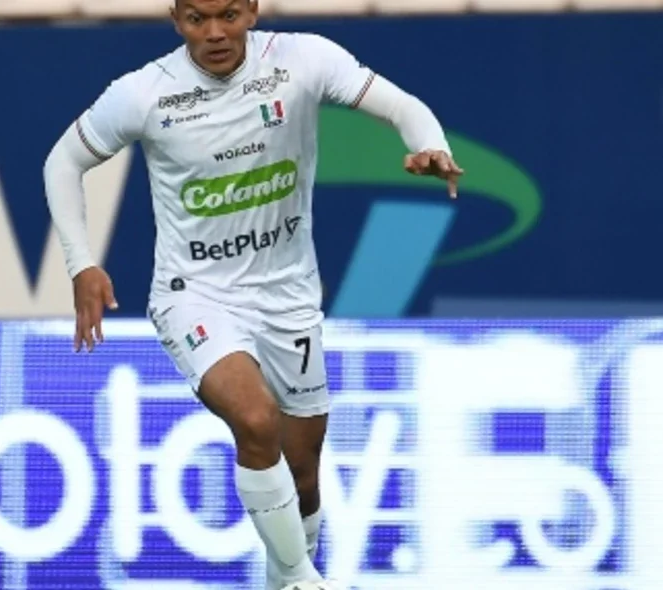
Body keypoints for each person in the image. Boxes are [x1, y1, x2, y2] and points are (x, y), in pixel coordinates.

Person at [42, 0, 462, 588]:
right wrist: (81, 263)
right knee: (257, 421)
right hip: (195, 295)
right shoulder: (143, 93)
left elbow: (402, 106)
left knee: (304, 475)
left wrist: (431, 145)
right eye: (195, 19)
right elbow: (63, 161)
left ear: (253, 10)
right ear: (175, 19)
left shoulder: (303, 59)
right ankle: (298, 579)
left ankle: (281, 580)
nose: (214, 32)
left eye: (228, 14)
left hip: (288, 296)